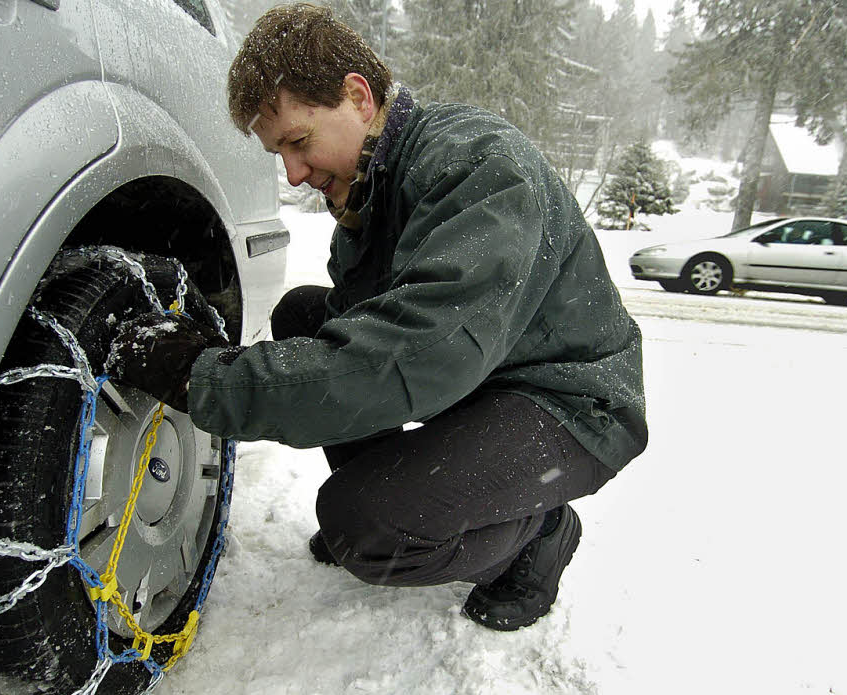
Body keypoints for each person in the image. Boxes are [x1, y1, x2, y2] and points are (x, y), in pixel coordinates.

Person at [108, 3, 647, 632]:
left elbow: (415, 354)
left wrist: (205, 378)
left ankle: (537, 530)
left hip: (569, 404)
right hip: (485, 375)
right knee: (305, 315)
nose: (293, 173)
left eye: (298, 142)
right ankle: (401, 498)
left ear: (358, 97)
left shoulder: (479, 170)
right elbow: (361, 336)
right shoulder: (371, 194)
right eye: (277, 153)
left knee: (365, 530)